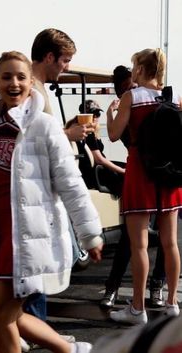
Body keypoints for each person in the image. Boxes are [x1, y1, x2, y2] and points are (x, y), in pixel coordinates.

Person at [0, 51, 104, 353]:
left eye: (21, 77)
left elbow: (71, 183)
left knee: (1, 316)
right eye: (6, 76)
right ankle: (70, 350)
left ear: (31, 82)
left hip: (26, 240)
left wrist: (89, 234)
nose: (14, 83)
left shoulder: (45, 126)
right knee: (3, 319)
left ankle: (69, 350)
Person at [106, 48, 182, 325]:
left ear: (139, 69)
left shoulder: (131, 97)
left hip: (140, 171)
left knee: (139, 245)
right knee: (170, 242)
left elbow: (114, 135)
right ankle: (172, 302)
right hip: (169, 174)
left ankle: (137, 308)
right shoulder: (174, 97)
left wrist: (109, 114)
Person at [100, 65, 166, 309]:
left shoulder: (151, 102)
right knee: (131, 239)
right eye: (127, 87)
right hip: (143, 174)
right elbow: (117, 135)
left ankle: (157, 288)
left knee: (166, 239)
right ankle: (113, 287)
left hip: (160, 174)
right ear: (119, 90)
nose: (133, 89)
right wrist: (111, 115)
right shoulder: (128, 106)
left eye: (134, 84)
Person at [66, 99, 125, 196]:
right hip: (95, 171)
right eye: (92, 114)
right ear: (84, 115)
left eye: (98, 114)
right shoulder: (86, 132)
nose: (95, 117)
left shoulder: (92, 131)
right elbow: (99, 159)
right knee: (127, 174)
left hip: (98, 169)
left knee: (128, 168)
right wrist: (122, 171)